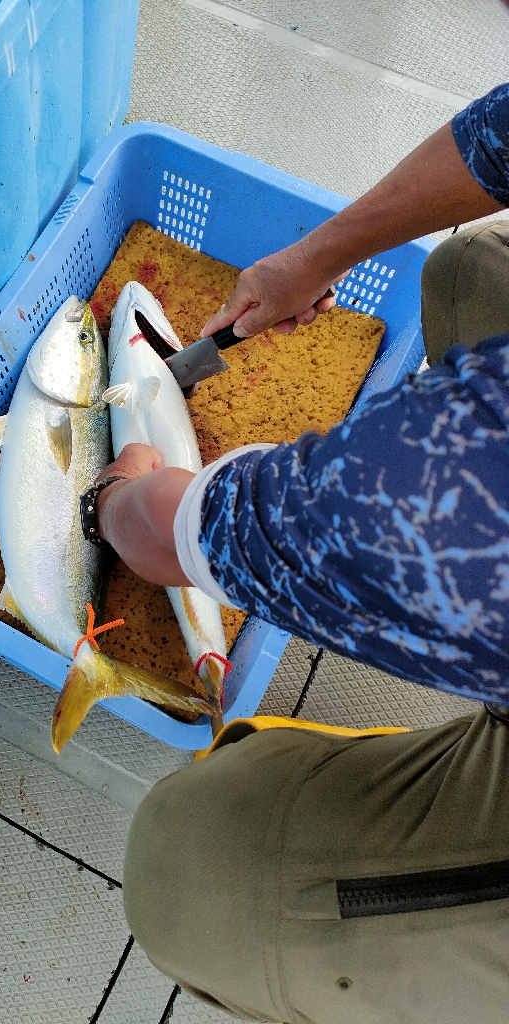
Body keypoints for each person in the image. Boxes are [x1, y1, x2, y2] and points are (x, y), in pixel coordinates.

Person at [87, 76, 509, 1024]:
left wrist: (118, 495)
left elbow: (174, 532)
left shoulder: (445, 490)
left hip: (448, 524)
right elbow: (503, 135)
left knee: (194, 875)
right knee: (477, 270)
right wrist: (315, 258)